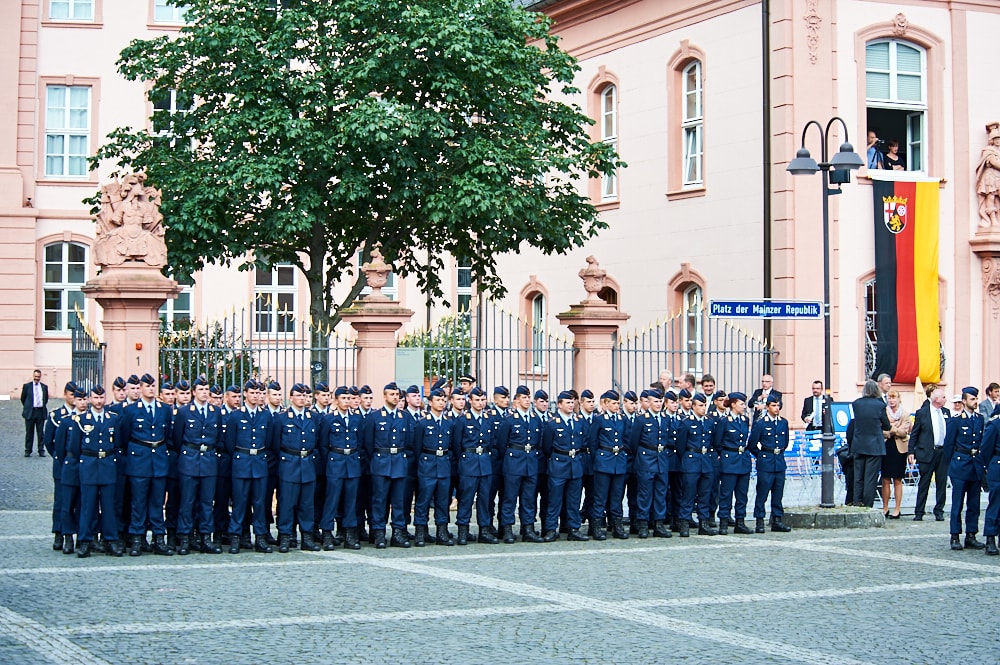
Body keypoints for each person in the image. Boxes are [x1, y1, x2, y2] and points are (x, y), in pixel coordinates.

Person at [118, 373, 175, 556]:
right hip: (139, 460)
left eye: (153, 386)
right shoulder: (130, 410)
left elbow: (167, 434)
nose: (150, 389)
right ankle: (137, 538)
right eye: (147, 386)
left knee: (158, 502)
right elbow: (125, 436)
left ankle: (159, 538)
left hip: (158, 458)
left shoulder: (164, 410)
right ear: (140, 388)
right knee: (138, 502)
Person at [172, 377, 223, 555]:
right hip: (189, 460)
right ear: (194, 392)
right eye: (200, 389)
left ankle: (205, 537)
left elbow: (218, 438)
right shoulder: (185, 412)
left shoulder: (215, 411)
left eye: (206, 389)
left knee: (207, 502)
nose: (204, 392)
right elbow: (178, 438)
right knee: (187, 501)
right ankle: (185, 537)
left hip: (208, 460)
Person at [70, 386, 123, 557]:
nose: (99, 401)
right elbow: (74, 447)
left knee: (109, 506)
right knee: (88, 507)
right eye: (95, 398)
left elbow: (117, 444)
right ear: (89, 399)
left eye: (101, 398)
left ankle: (110, 540)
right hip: (89, 465)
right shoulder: (81, 419)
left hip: (107, 465)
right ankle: (85, 541)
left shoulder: (113, 419)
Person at [270, 383, 321, 553]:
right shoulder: (281, 418)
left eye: (305, 395)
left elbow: (318, 443)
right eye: (299, 395)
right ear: (291, 398)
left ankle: (307, 537)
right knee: (287, 503)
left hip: (307, 463)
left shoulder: (313, 418)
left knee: (307, 504)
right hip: (289, 463)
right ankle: (285, 536)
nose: (302, 398)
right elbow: (275, 444)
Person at [361, 383, 411, 549]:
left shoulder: (404, 416)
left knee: (399, 501)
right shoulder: (374, 417)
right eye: (392, 394)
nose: (395, 397)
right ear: (384, 396)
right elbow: (367, 444)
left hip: (399, 462)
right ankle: (379, 532)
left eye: (397, 394)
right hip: (381, 462)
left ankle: (398, 532)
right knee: (379, 500)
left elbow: (410, 442)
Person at [225, 380, 273, 554]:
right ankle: (236, 537)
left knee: (260, 503)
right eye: (252, 392)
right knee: (239, 502)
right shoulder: (236, 416)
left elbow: (269, 441)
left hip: (259, 462)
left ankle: (260, 537)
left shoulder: (265, 415)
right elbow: (230, 442)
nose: (255, 396)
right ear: (245, 394)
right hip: (242, 462)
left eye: (258, 393)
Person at [495, 385, 544, 543]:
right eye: (524, 397)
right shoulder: (510, 420)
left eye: (529, 397)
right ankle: (507, 528)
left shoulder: (535, 419)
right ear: (516, 400)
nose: (527, 400)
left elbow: (540, 442)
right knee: (510, 498)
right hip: (514, 462)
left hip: (530, 462)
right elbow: (502, 444)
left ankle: (528, 528)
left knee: (529, 498)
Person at [318, 386, 364, 550]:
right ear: (336, 400)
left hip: (351, 462)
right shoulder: (328, 419)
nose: (346, 402)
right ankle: (327, 533)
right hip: (335, 462)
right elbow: (323, 446)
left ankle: (349, 534)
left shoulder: (356, 419)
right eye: (343, 399)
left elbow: (359, 443)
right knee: (332, 500)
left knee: (351, 501)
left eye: (349, 398)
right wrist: (329, 463)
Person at [453, 387, 499, 545]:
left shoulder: (488, 419)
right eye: (477, 400)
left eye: (482, 400)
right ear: (470, 401)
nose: (480, 403)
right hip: (469, 462)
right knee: (466, 498)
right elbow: (457, 444)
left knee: (485, 499)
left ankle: (484, 530)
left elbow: (493, 441)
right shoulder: (463, 419)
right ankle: (463, 529)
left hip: (485, 462)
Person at [943, 386, 986, 551]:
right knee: (958, 503)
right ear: (964, 401)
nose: (975, 402)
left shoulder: (979, 419)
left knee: (974, 504)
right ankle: (955, 535)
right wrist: (953, 464)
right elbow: (948, 446)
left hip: (975, 466)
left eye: (976, 399)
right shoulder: (956, 420)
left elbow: (981, 440)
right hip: (960, 465)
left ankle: (971, 535)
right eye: (972, 399)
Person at [541, 391, 588, 542]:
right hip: (559, 464)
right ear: (559, 404)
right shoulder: (552, 423)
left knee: (574, 500)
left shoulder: (578, 421)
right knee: (555, 499)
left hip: (575, 464)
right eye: (567, 402)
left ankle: (573, 528)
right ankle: (550, 529)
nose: (571, 405)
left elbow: (583, 441)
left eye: (572, 402)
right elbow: (547, 447)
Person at [412, 388, 456, 547]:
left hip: (443, 464)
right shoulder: (422, 423)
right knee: (423, 500)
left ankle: (442, 531)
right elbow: (417, 447)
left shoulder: (448, 423)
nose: (441, 403)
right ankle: (420, 531)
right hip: (427, 464)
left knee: (443, 500)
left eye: (444, 400)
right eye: (438, 400)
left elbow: (452, 446)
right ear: (430, 402)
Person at [628, 388, 672, 539]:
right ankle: (643, 524)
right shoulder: (642, 419)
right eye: (655, 401)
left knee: (661, 493)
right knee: (645, 494)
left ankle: (659, 524)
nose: (658, 404)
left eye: (660, 401)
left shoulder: (665, 418)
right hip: (646, 459)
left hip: (661, 459)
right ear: (649, 402)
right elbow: (634, 442)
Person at [588, 390, 629, 541]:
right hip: (604, 460)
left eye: (617, 403)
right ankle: (597, 526)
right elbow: (592, 442)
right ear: (605, 403)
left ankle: (617, 525)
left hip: (618, 461)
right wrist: (598, 458)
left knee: (617, 496)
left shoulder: (621, 419)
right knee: (600, 496)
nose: (616, 405)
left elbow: (626, 439)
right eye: (613, 403)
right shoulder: (599, 419)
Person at [676, 393, 719, 536]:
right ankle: (684, 523)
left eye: (705, 405)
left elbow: (713, 441)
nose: (703, 408)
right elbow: (680, 445)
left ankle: (703, 523)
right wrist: (688, 458)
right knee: (688, 494)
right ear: (693, 406)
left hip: (706, 461)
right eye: (700, 405)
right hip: (691, 460)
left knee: (705, 494)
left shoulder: (709, 422)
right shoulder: (686, 422)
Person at [748, 393, 792, 532]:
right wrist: (761, 456)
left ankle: (777, 519)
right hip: (766, 461)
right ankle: (759, 520)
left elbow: (784, 443)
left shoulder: (783, 422)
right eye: (773, 405)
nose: (776, 408)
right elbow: (752, 445)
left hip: (779, 461)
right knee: (763, 491)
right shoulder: (761, 423)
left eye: (778, 405)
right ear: (767, 407)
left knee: (778, 492)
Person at [908, 388, 950, 521]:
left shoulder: (946, 412)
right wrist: (911, 451)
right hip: (927, 452)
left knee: (941, 483)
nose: (945, 399)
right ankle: (919, 511)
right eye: (943, 397)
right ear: (936, 399)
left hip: (942, 452)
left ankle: (939, 511)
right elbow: (915, 433)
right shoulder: (923, 413)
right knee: (924, 483)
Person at [714, 392, 753, 535]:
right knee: (726, 493)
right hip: (729, 459)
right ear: (733, 404)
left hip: (742, 459)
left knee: (742, 494)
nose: (744, 406)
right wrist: (723, 455)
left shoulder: (744, 419)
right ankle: (723, 521)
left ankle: (740, 521)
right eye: (741, 404)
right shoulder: (725, 421)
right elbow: (717, 442)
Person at [850, 379, 891, 508]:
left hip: (858, 443)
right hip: (874, 445)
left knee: (858, 476)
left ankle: (857, 501)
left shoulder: (856, 404)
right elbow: (887, 425)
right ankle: (868, 504)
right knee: (870, 478)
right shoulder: (880, 405)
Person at [881, 390, 911, 518]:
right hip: (886, 446)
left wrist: (891, 428)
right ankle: (885, 507)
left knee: (897, 479)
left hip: (899, 449)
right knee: (885, 479)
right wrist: (894, 430)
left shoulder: (905, 414)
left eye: (894, 398)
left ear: (899, 399)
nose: (891, 400)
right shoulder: (884, 412)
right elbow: (882, 430)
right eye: (889, 398)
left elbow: (904, 432)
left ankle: (897, 509)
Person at [979, 409, 1000, 555]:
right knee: (996, 504)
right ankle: (990, 538)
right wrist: (988, 467)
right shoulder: (995, 424)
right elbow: (986, 449)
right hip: (997, 466)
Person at [976, 122, 1000, 227]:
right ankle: (992, 219)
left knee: (996, 199)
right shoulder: (988, 151)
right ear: (992, 140)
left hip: (998, 177)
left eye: (999, 139)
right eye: (996, 139)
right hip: (990, 177)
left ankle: (997, 218)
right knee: (990, 197)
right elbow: (995, 163)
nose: (998, 141)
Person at [21, 369, 48, 457]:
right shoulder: (27, 386)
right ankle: (28, 450)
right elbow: (23, 398)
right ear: (33, 376)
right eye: (35, 376)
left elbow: (45, 399)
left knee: (40, 433)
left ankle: (41, 450)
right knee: (29, 432)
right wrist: (28, 407)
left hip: (40, 411)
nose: (37, 378)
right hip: (30, 412)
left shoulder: (44, 387)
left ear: (40, 377)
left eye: (38, 377)